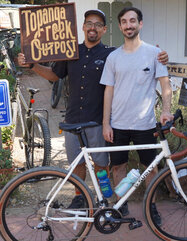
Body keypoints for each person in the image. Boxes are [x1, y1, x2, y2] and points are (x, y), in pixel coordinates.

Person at [18, 9, 169, 209]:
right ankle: (79, 197)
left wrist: (160, 56)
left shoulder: (111, 54)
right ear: (83, 26)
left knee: (101, 164)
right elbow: (55, 75)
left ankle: (102, 199)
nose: (93, 27)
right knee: (77, 163)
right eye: (89, 23)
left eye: (98, 25)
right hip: (72, 119)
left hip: (97, 120)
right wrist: (32, 66)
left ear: (104, 30)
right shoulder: (69, 52)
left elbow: (132, 55)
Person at [100, 7, 174, 224]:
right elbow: (108, 91)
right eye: (124, 21)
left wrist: (166, 110)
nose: (128, 25)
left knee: (151, 168)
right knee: (118, 167)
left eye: (132, 21)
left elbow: (165, 84)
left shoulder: (154, 53)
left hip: (146, 124)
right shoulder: (113, 57)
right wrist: (106, 123)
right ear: (120, 26)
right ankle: (120, 206)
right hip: (118, 124)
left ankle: (151, 206)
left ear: (140, 24)